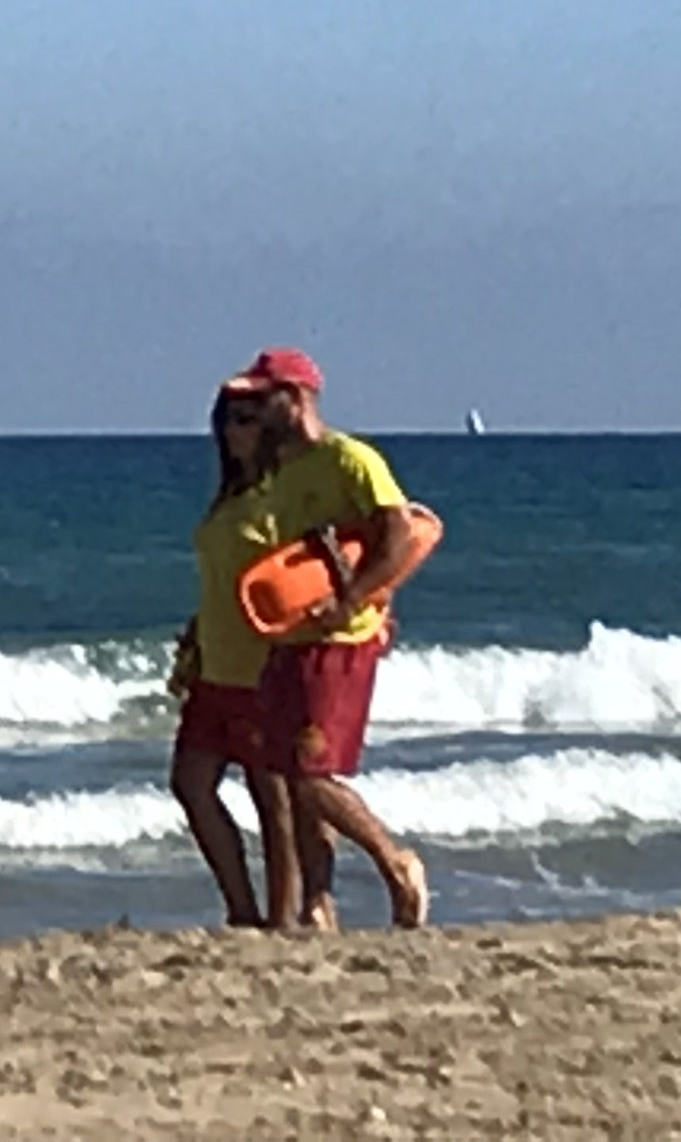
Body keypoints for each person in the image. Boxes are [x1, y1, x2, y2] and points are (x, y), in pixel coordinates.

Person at [223, 347, 431, 929]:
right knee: (290, 768)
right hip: (292, 637)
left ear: (296, 398)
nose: (256, 411)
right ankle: (320, 901)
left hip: (342, 638)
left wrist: (355, 599)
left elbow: (397, 534)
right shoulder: (284, 470)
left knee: (307, 772)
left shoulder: (352, 459)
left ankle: (396, 864)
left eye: (265, 399)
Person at [168, 385, 300, 928]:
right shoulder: (231, 495)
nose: (234, 431)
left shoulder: (282, 495)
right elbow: (221, 581)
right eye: (227, 420)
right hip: (215, 661)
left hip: (262, 664)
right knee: (191, 783)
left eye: (247, 419)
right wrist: (195, 637)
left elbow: (309, 576)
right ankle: (241, 908)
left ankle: (283, 916)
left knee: (272, 795)